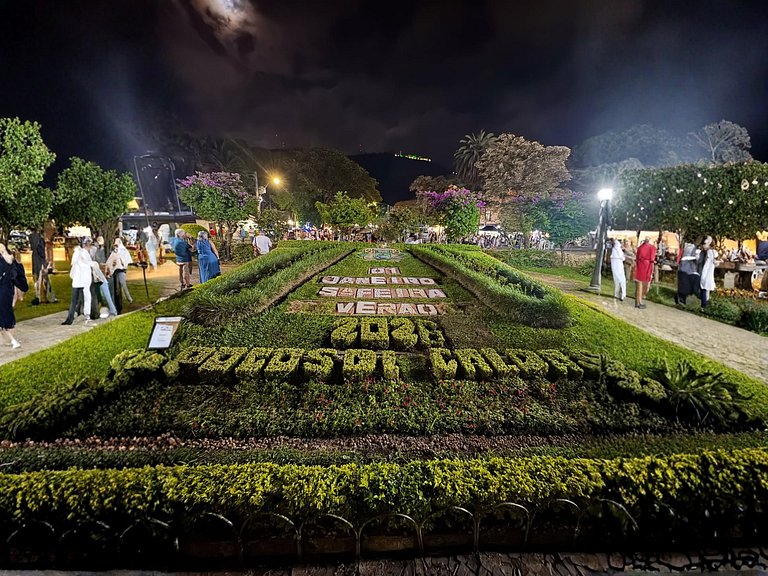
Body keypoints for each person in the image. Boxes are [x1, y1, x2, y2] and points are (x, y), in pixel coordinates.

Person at [62, 237, 94, 325]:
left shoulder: (77, 253)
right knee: (85, 297)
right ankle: (86, 314)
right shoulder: (83, 252)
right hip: (84, 279)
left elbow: (74, 264)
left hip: (79, 279)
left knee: (75, 300)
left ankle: (71, 318)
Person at [0, 243, 21, 348]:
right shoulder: (10, 262)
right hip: (8, 291)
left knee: (3, 319)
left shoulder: (2, 262)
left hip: (2, 292)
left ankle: (13, 341)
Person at [106, 238, 133, 308]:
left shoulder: (121, 251)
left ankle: (128, 298)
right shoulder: (117, 251)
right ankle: (124, 299)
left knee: (122, 284)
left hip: (120, 271)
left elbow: (125, 261)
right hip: (117, 271)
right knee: (119, 287)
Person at [675, 241, 700, 305]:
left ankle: (681, 299)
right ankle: (680, 299)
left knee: (686, 287)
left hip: (688, 271)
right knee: (685, 287)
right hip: (685, 271)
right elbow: (685, 258)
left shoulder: (690, 247)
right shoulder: (690, 247)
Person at [634, 237, 656, 309]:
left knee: (639, 284)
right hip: (647, 266)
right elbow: (652, 259)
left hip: (640, 265)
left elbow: (637, 257)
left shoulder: (640, 247)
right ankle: (639, 301)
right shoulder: (652, 248)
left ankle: (638, 301)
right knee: (645, 285)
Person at [699, 236, 719, 309]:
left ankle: (704, 306)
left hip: (706, 273)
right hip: (710, 273)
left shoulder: (709, 252)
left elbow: (706, 265)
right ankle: (706, 305)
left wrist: (703, 275)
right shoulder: (714, 252)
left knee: (704, 289)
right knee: (706, 290)